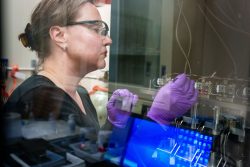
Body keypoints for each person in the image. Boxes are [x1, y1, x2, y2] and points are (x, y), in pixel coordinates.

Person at [3, 0, 197, 139]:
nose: (108, 40)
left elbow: (92, 150)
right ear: (60, 35)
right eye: (97, 29)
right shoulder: (41, 98)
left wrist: (114, 123)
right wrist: (157, 118)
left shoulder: (79, 93)